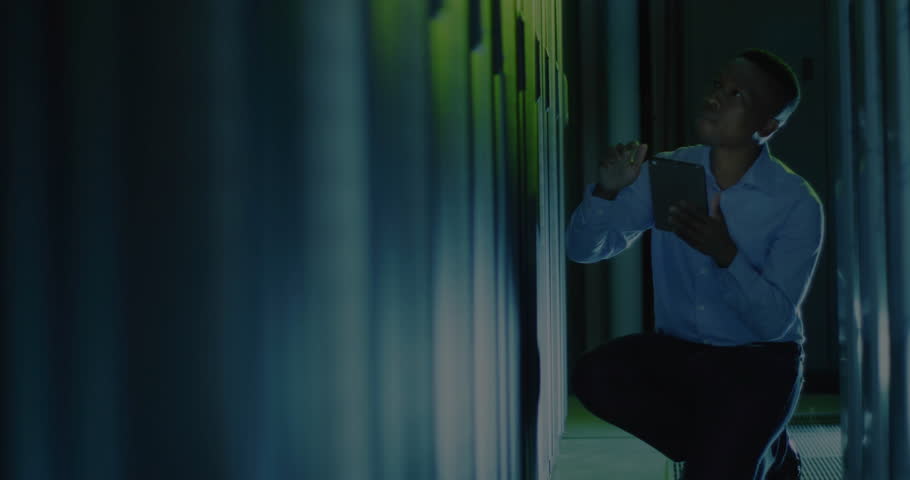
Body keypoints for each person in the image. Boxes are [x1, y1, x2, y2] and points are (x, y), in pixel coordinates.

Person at [566, 48, 824, 479]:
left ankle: (755, 446)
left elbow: (774, 323)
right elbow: (584, 250)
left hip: (759, 363)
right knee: (597, 375)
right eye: (718, 86)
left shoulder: (794, 202)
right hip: (683, 354)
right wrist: (607, 193)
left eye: (737, 94)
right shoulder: (671, 172)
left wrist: (726, 254)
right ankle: (756, 443)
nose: (716, 98)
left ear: (767, 126)